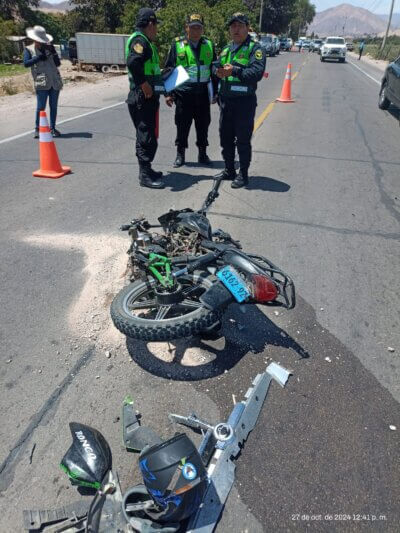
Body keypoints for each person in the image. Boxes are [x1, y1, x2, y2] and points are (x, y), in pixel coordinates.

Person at [213, 13, 266, 189]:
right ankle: (229, 170)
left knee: (242, 140)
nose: (235, 29)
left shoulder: (254, 49)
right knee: (225, 138)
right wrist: (217, 70)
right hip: (226, 102)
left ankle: (243, 174)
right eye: (233, 26)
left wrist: (234, 71)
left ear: (247, 27)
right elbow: (216, 64)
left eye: (239, 26)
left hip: (244, 103)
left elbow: (256, 73)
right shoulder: (227, 49)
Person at [164, 14, 218, 168]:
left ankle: (202, 154)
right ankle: (180, 155)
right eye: (193, 26)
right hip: (183, 94)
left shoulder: (209, 45)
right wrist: (168, 94)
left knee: (203, 126)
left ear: (203, 29)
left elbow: (213, 69)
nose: (196, 30)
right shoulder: (177, 45)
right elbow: (169, 69)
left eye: (199, 27)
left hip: (202, 94)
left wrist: (215, 92)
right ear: (186, 27)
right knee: (182, 126)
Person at [126, 8, 164, 189]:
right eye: (156, 25)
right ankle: (144, 175)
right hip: (142, 96)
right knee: (145, 136)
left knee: (149, 135)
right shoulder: (140, 41)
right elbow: (133, 62)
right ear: (150, 24)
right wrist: (144, 84)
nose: (157, 29)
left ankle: (148, 169)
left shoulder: (146, 41)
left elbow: (151, 69)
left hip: (148, 96)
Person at [23, 25, 63, 138]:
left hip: (54, 80)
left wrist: (53, 52)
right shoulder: (28, 49)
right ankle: (38, 129)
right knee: (41, 107)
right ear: (34, 39)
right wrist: (39, 57)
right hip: (41, 81)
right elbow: (26, 63)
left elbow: (58, 64)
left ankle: (52, 128)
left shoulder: (49, 48)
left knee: (53, 106)